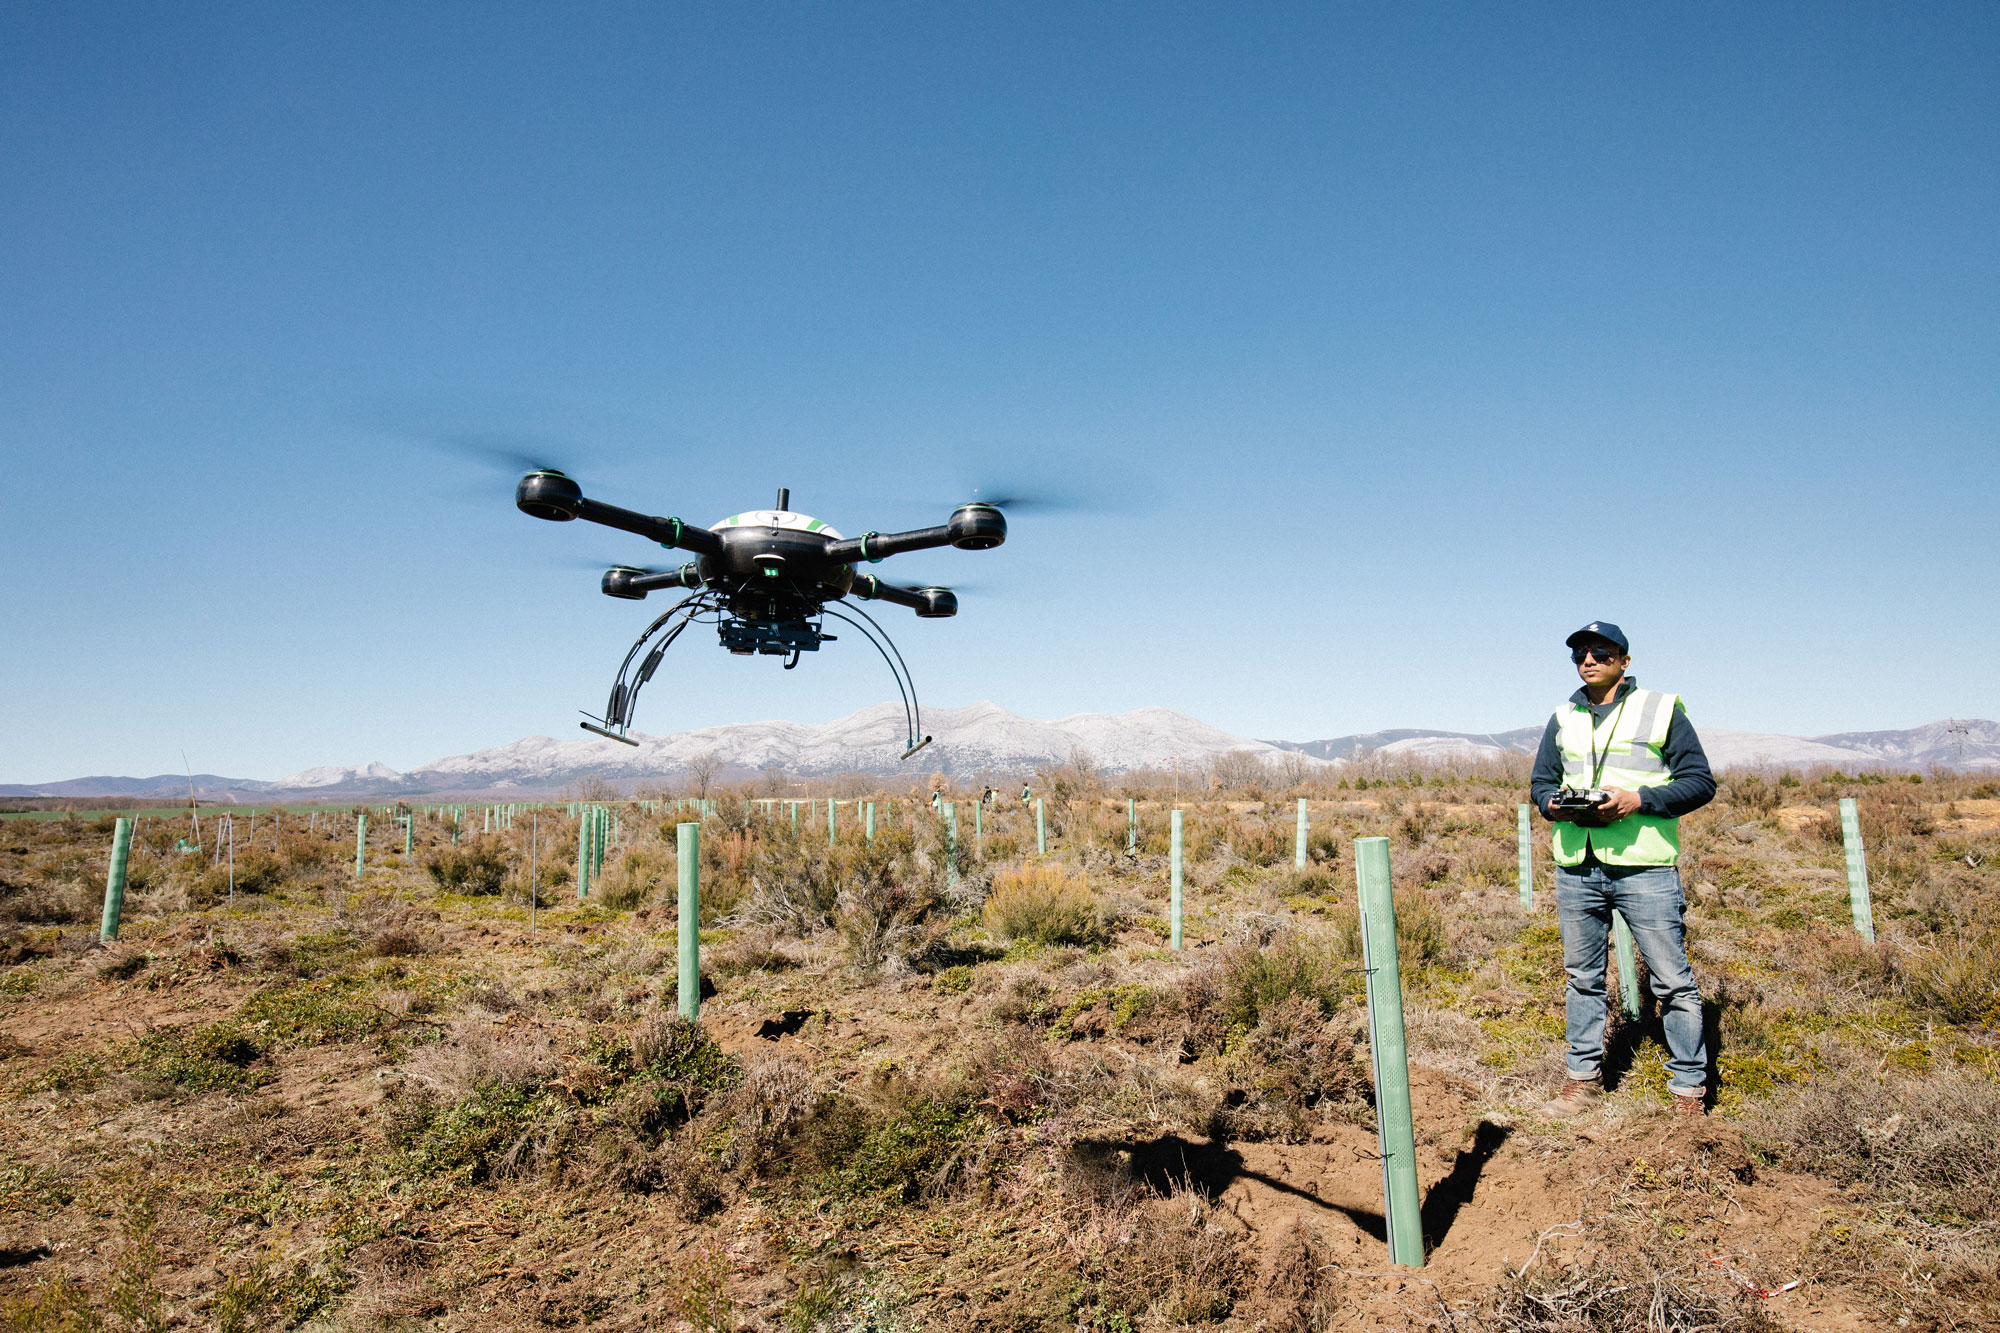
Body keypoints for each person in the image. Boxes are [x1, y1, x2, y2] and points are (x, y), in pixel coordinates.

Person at [1529, 621, 1716, 1119]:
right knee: (1581, 978)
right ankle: (1582, 1080)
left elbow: (1700, 782)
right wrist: (1553, 804)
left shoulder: (1660, 708)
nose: (1588, 660)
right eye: (1579, 654)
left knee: (1671, 980)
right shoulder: (1562, 716)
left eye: (1601, 652)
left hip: (1644, 867)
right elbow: (1541, 780)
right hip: (1577, 865)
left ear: (1624, 660)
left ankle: (1688, 1091)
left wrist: (1639, 800)